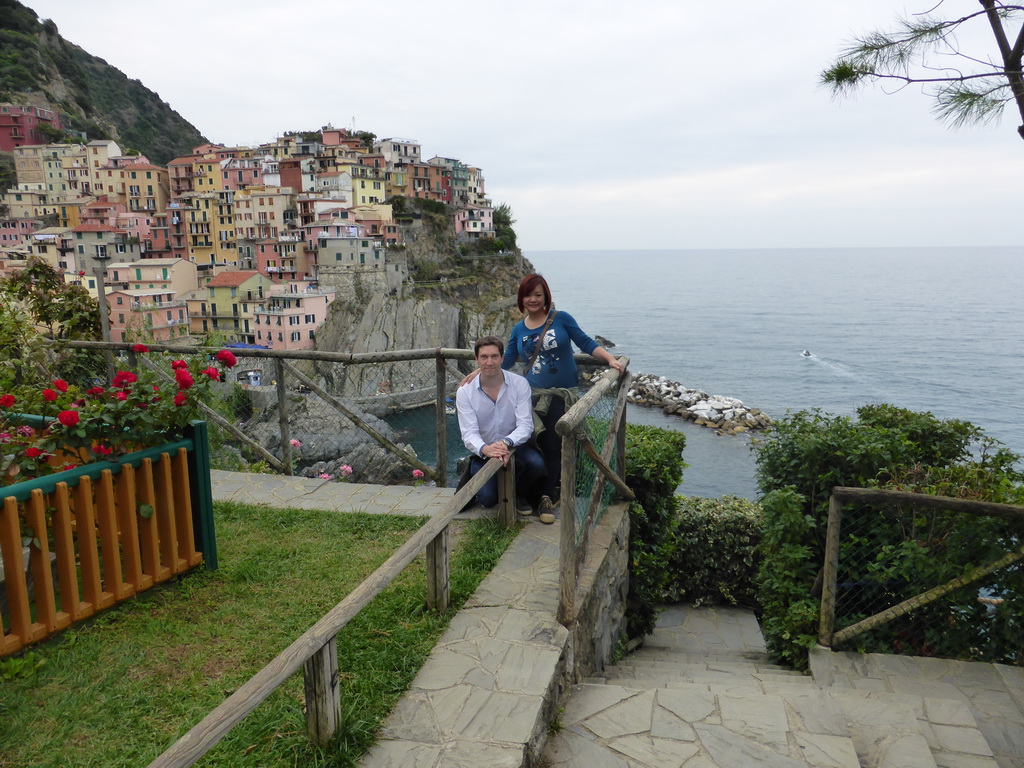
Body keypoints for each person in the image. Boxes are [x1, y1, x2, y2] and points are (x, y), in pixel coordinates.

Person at [466, 274, 625, 519]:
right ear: (521, 298)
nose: (533, 299)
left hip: (560, 396)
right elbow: (505, 360)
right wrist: (478, 370)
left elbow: (584, 342)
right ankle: (528, 492)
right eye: (528, 295)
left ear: (546, 297)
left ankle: (546, 498)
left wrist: (611, 359)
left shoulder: (561, 319)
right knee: (530, 443)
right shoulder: (519, 328)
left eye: (538, 295)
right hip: (531, 396)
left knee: (552, 445)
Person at [455, 335, 550, 521]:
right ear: (476, 359)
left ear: (502, 358)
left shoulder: (519, 384)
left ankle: (519, 494)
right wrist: (486, 449)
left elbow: (525, 425)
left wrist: (505, 443)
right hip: (485, 449)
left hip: (515, 446)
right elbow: (469, 433)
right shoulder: (465, 392)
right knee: (488, 499)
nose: (489, 362)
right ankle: (480, 472)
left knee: (537, 465)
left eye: (494, 356)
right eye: (484, 357)